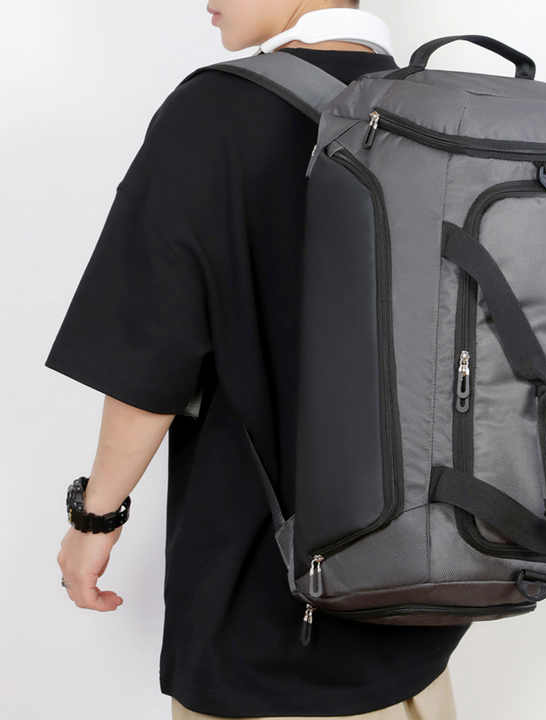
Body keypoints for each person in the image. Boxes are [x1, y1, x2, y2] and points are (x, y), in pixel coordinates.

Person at [47, 1, 467, 718]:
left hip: (267, 629)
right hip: (421, 619)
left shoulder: (217, 112)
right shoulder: (441, 114)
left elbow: (150, 361)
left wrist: (94, 519)